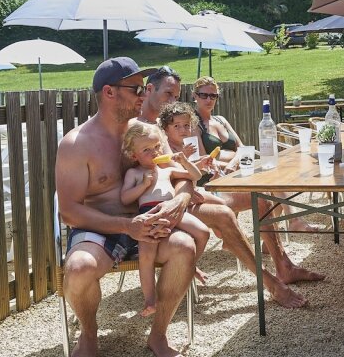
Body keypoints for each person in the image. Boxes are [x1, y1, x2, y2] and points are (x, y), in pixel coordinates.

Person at [137, 70, 323, 308]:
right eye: (169, 95)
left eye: (176, 95)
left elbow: (184, 165)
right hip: (164, 204)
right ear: (149, 90)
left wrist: (194, 175)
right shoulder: (144, 130)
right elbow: (155, 174)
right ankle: (271, 282)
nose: (174, 101)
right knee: (225, 214)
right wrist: (186, 185)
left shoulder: (172, 125)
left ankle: (283, 266)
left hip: (190, 191)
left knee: (260, 199)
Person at [56, 57, 196, 357]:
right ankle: (89, 336)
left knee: (185, 246)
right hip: (101, 229)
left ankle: (158, 335)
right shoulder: (77, 143)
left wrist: (180, 200)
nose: (143, 95)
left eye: (144, 89)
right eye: (135, 89)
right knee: (79, 268)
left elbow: (182, 176)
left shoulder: (148, 133)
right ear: (109, 92)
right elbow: (68, 211)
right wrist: (124, 226)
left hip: (149, 226)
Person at [192, 75, 320, 232]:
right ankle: (290, 224)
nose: (208, 99)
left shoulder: (221, 120)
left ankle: (282, 230)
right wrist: (233, 164)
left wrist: (235, 162)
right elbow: (204, 161)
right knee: (270, 185)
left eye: (213, 96)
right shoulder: (193, 125)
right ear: (195, 96)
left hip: (237, 170)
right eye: (203, 95)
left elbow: (243, 148)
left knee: (274, 176)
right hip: (217, 179)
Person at [120, 122, 210, 317]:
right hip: (149, 214)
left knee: (203, 232)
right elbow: (125, 198)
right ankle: (150, 299)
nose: (154, 153)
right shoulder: (134, 173)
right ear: (134, 155)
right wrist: (143, 186)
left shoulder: (167, 170)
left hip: (173, 212)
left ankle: (191, 265)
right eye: (146, 150)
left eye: (157, 147)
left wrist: (184, 161)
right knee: (146, 255)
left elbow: (196, 175)